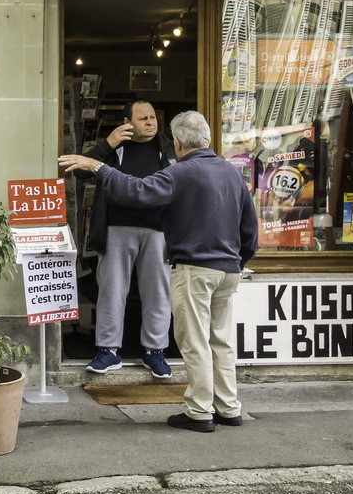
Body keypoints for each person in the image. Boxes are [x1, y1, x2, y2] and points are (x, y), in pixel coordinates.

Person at [83, 110, 258, 433]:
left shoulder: (181, 173)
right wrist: (241, 261)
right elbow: (250, 227)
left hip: (196, 268)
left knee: (195, 342)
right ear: (206, 138)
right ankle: (229, 407)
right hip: (229, 270)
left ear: (177, 142)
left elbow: (136, 191)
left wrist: (99, 167)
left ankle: (199, 412)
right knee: (220, 340)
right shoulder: (231, 173)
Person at [58, 100, 176, 377]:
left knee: (158, 292)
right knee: (112, 290)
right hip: (115, 228)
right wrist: (108, 143)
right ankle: (108, 351)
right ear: (127, 122)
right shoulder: (115, 148)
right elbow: (80, 169)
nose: (150, 123)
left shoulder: (168, 147)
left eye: (153, 117)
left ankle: (155, 351)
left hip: (158, 230)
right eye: (143, 118)